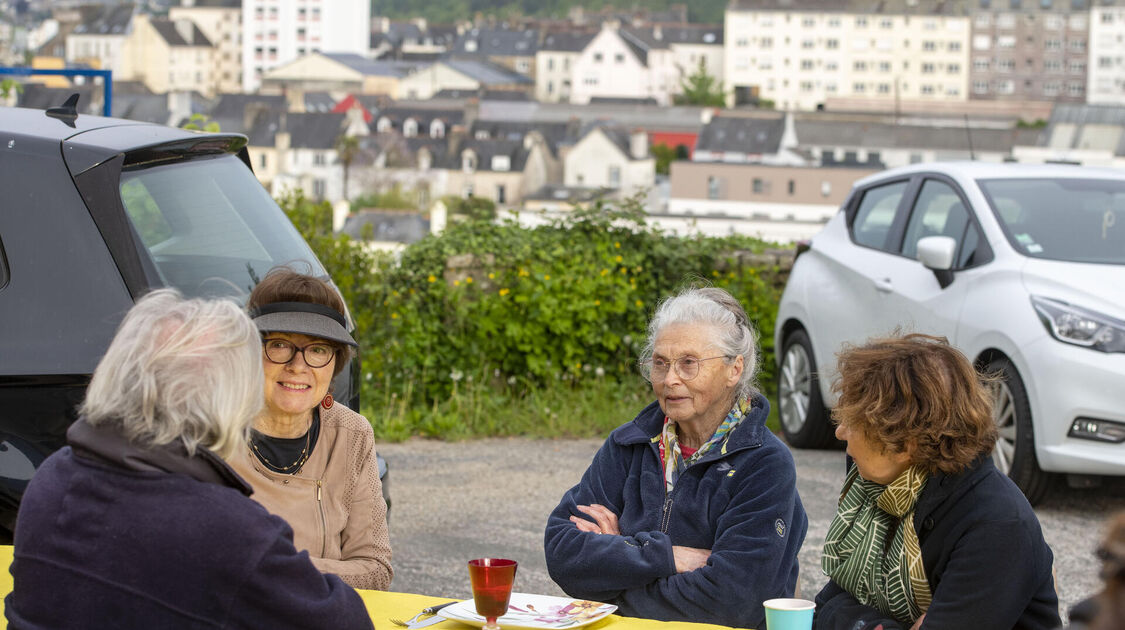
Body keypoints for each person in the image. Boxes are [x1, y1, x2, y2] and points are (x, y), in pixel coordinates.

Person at [5, 290, 374, 629]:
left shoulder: (53, 476)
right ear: (228, 399)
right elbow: (347, 622)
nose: (296, 365)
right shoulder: (223, 527)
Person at [544, 287, 808, 629]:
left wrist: (616, 577)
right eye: (660, 363)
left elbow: (734, 601)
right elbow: (563, 552)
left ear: (734, 369)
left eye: (688, 363)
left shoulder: (765, 463)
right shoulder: (630, 444)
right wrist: (668, 557)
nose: (670, 379)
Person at [815, 333, 1060, 630]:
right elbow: (825, 607)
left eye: (853, 423)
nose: (840, 432)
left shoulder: (996, 525)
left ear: (905, 444)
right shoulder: (887, 485)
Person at [227, 268, 392, 590]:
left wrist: (270, 568)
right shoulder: (209, 432)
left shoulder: (351, 433)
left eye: (317, 349)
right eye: (279, 345)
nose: (298, 366)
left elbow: (375, 570)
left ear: (335, 363)